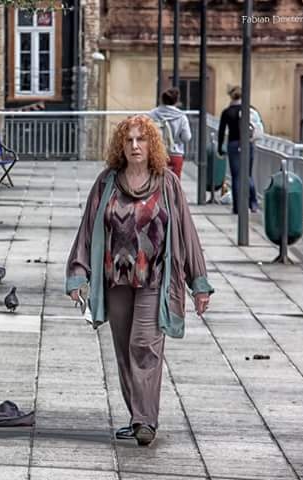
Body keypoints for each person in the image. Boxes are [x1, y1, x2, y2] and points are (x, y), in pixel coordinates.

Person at [65, 115, 213, 447]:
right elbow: (88, 230)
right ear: (121, 145)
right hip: (115, 279)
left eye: (141, 140)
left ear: (152, 145)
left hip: (155, 280)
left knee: (143, 344)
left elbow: (187, 235)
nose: (134, 146)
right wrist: (78, 273)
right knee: (122, 349)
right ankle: (137, 414)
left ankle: (145, 420)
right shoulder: (106, 183)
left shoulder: (168, 183)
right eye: (129, 140)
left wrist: (198, 283)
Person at [217, 85, 259, 213]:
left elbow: (221, 131)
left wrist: (220, 147)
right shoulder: (249, 109)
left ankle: (237, 207)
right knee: (248, 174)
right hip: (248, 143)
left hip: (233, 145)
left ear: (231, 96)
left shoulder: (227, 112)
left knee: (236, 177)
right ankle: (253, 203)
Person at [148, 87, 192, 178]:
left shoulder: (152, 114)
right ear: (176, 101)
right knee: (174, 183)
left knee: (156, 183)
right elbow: (187, 137)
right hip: (176, 153)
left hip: (157, 152)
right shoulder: (181, 116)